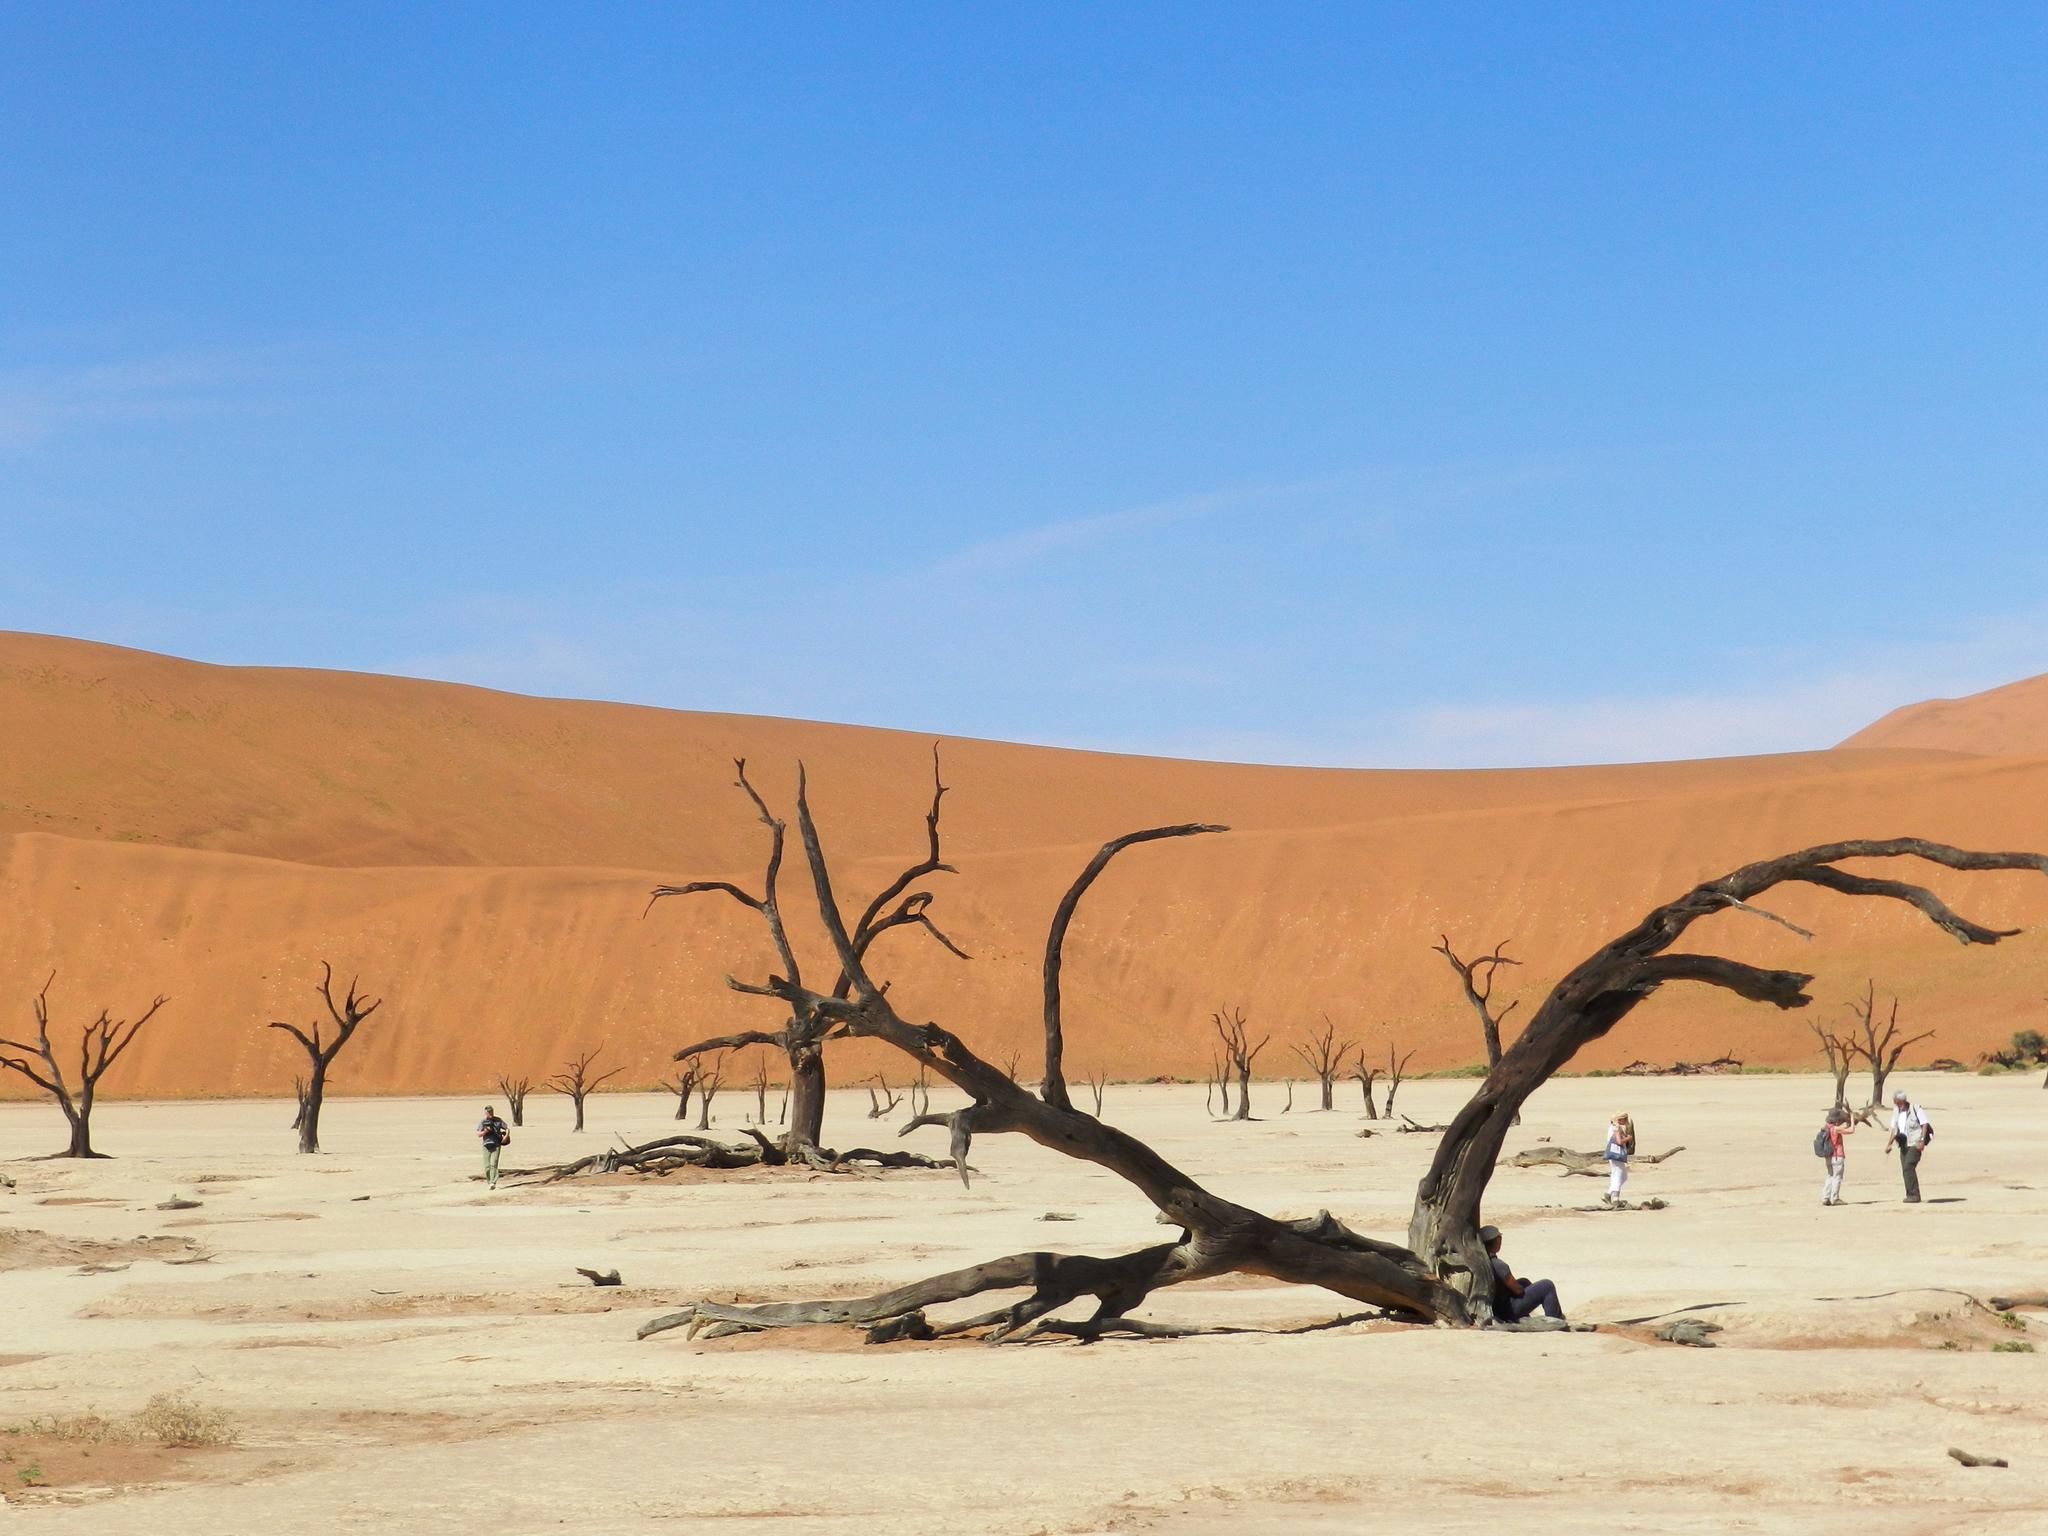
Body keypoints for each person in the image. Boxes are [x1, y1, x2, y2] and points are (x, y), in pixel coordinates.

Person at [1481, 1224, 1565, 1322]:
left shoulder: (1483, 1261)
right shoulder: (1499, 1265)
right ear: (1497, 1241)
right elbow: (1518, 1290)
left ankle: (1529, 1316)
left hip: (1496, 1307)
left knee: (1524, 1281)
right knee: (1547, 1285)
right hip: (1507, 1311)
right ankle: (1555, 1318)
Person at [1884, 1090, 1932, 1203]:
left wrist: (1921, 1140)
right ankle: (1910, 1194)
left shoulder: (1915, 1108)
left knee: (1908, 1166)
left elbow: (1924, 1124)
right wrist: (1889, 1144)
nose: (1895, 1103)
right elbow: (1894, 1129)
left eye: (1896, 1101)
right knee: (1905, 1169)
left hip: (1914, 1142)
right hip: (1903, 1144)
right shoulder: (1896, 1111)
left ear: (1902, 1101)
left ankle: (1914, 1195)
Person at [1820, 1105, 1852, 1205]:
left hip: (1828, 1156)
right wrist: (1853, 1120)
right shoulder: (1836, 1129)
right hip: (1837, 1156)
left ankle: (1825, 1197)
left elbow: (1844, 1128)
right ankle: (1835, 1198)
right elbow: (1851, 1130)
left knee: (1830, 1176)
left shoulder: (1826, 1128)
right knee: (1837, 1177)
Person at [1603, 1111, 1635, 1205]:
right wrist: (1628, 1138)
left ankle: (1611, 1195)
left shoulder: (1614, 1127)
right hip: (1616, 1155)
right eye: (1625, 1119)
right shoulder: (1616, 1128)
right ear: (1620, 1119)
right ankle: (1613, 1198)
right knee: (1619, 1175)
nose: (1626, 1121)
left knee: (1622, 1176)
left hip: (1615, 1155)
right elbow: (1619, 1141)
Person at [477, 1103, 510, 1189]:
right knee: (487, 1165)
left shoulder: (498, 1120)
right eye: (488, 1112)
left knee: (494, 1163)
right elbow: (478, 1134)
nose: (489, 1114)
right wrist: (485, 1132)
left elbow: (507, 1128)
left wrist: (506, 1136)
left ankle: (493, 1182)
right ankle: (489, 1181)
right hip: (486, 1145)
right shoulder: (483, 1122)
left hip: (496, 1144)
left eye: (491, 1112)